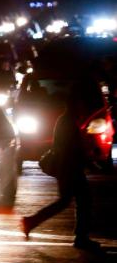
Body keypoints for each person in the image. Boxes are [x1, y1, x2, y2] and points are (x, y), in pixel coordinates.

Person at [21, 88, 101, 251]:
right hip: (70, 168)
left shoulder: (66, 120)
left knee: (69, 201)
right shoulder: (68, 122)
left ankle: (32, 222)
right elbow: (72, 148)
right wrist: (90, 163)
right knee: (82, 201)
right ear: (75, 104)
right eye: (80, 103)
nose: (83, 106)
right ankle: (80, 237)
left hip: (68, 167)